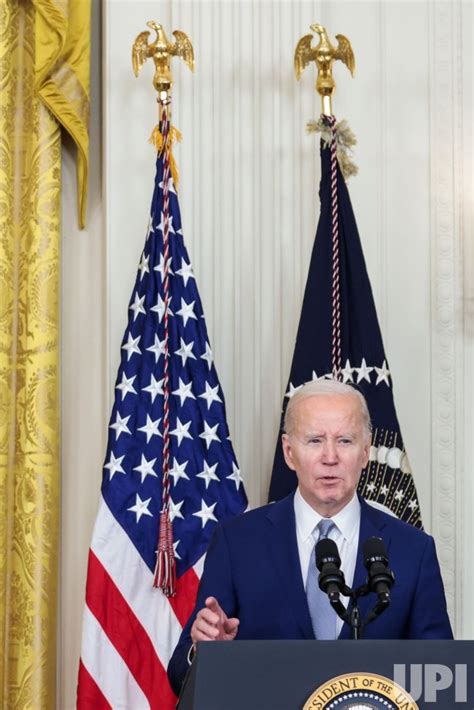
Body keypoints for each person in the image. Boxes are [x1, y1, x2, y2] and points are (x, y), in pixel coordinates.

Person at [167, 380, 453, 695]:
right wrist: (208, 653)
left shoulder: (413, 549)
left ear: (365, 452)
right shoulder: (237, 543)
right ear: (289, 452)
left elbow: (440, 680)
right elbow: (180, 673)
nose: (330, 457)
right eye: (315, 440)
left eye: (345, 440)